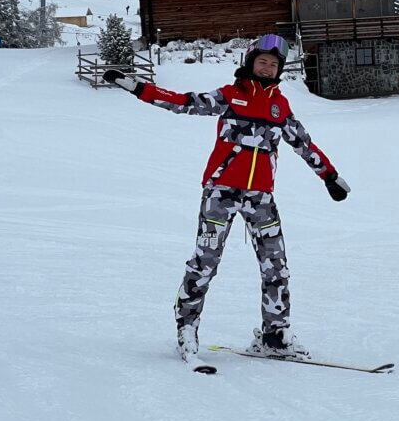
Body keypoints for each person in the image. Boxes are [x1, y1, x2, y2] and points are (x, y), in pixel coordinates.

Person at [102, 34, 350, 362]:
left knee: (276, 267)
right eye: (262, 61)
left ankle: (274, 336)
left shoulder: (280, 107)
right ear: (250, 62)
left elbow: (304, 143)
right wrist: (137, 87)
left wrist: (329, 177)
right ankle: (186, 329)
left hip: (260, 197)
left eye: (273, 64)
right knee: (205, 262)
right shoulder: (231, 96)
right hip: (221, 192)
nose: (267, 67)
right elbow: (182, 101)